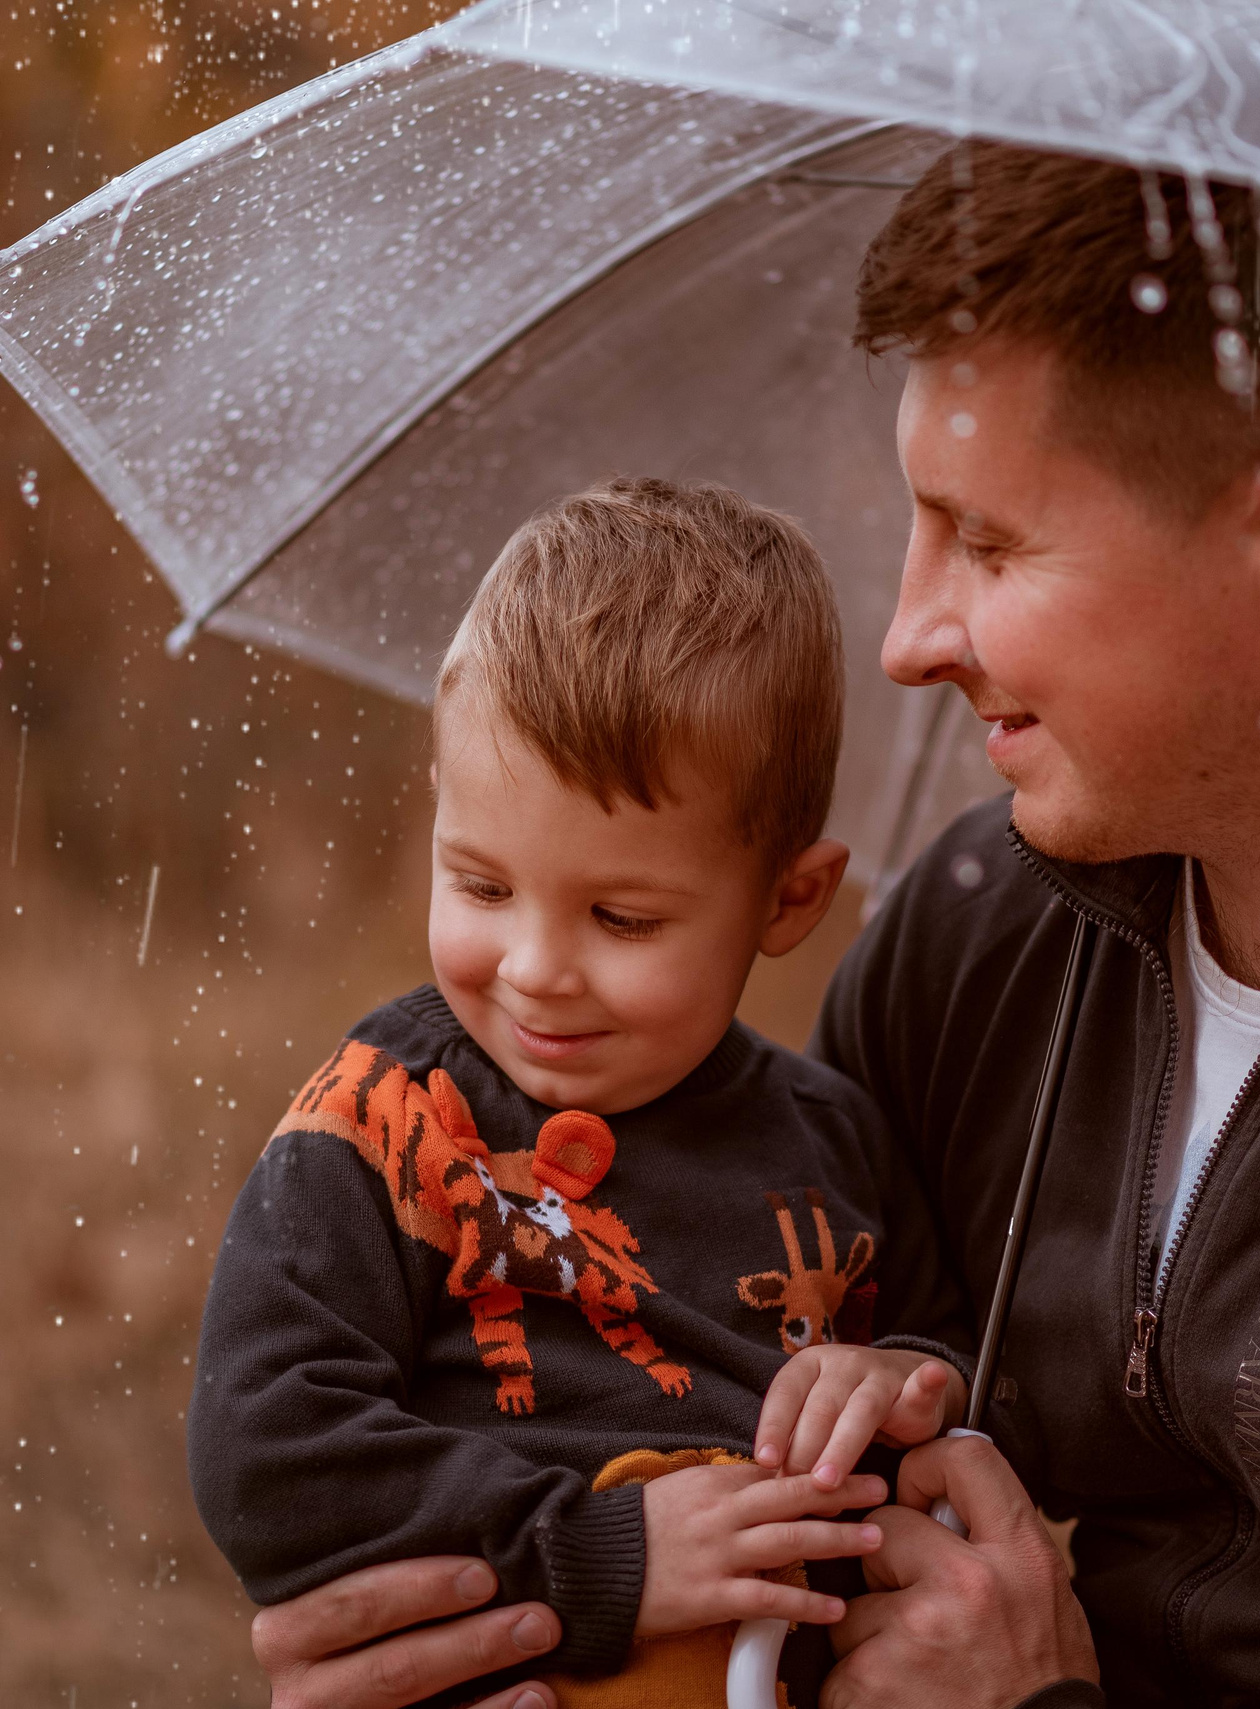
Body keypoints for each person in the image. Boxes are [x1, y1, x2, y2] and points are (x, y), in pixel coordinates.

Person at [240, 140, 1260, 1708]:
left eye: (987, 543)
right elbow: (652, 1394)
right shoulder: (989, 933)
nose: (911, 636)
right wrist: (492, 1623)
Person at [188, 476, 986, 1705]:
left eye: (621, 915)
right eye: (482, 884)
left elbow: (962, 1384)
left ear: (789, 898)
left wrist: (906, 1381)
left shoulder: (835, 1140)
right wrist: (598, 1554)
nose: (536, 969)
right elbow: (271, 1450)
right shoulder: (387, 1125)